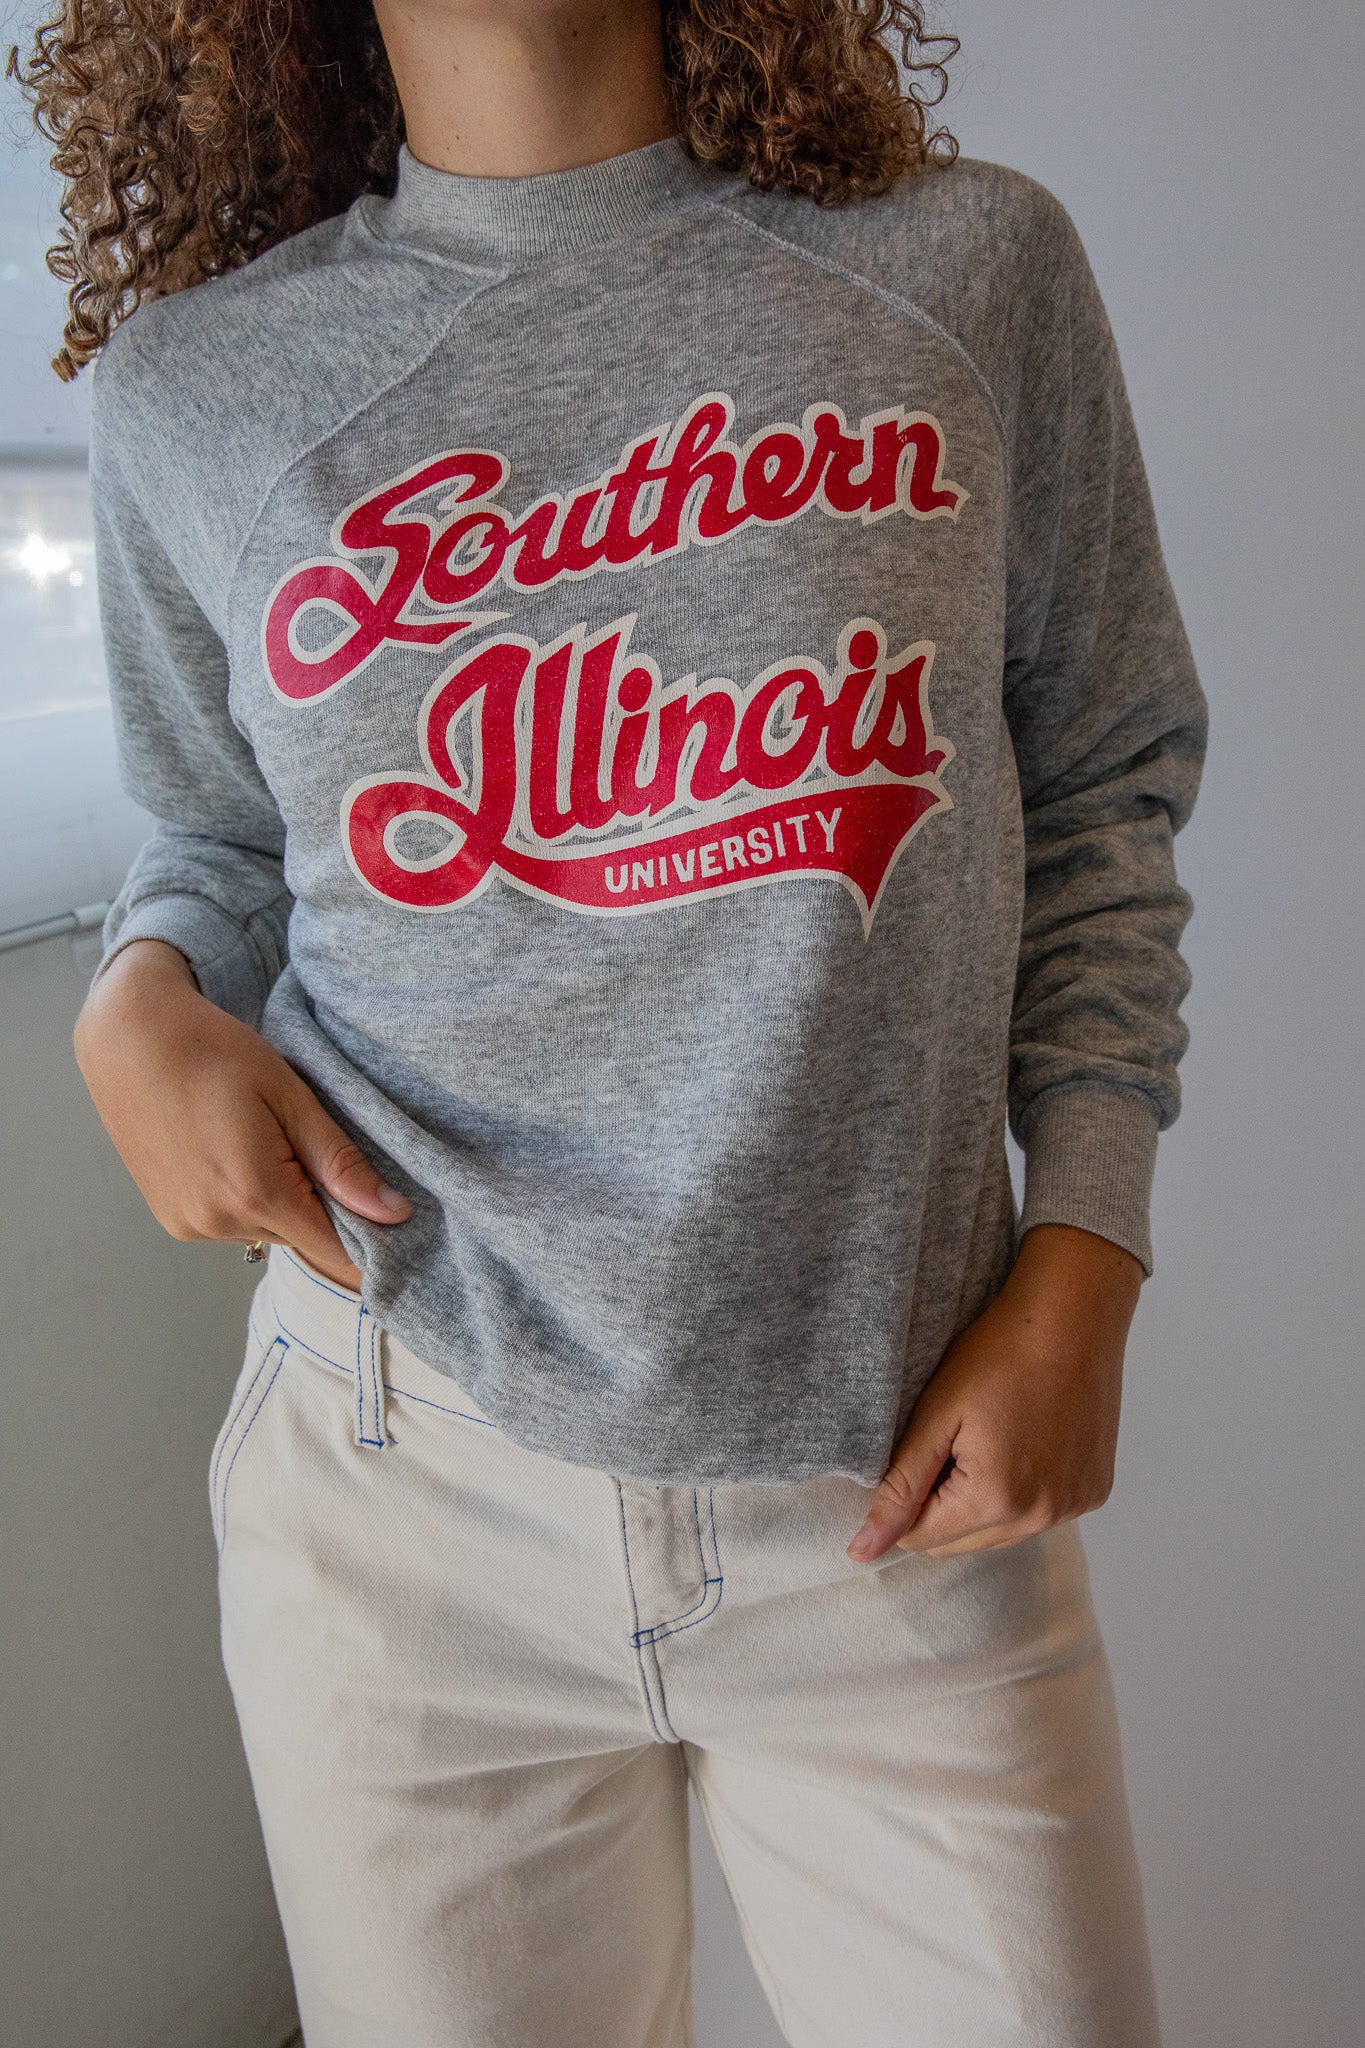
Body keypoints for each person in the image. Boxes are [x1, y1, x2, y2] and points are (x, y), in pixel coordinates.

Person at [19, 1, 1208, 2042]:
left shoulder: (964, 269)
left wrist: (1085, 1246)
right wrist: (137, 993)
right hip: (401, 1486)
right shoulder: (198, 386)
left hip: (891, 1481)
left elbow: (1101, 774)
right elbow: (218, 836)